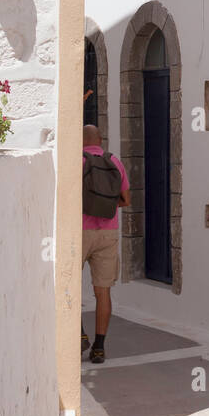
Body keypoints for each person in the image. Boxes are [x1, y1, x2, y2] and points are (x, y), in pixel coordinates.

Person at [81, 124, 129, 364]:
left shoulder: (78, 161)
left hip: (81, 231)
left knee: (68, 285)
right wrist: (105, 207)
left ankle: (79, 333)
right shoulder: (114, 161)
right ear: (100, 140)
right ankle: (99, 347)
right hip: (108, 233)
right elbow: (126, 200)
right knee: (103, 292)